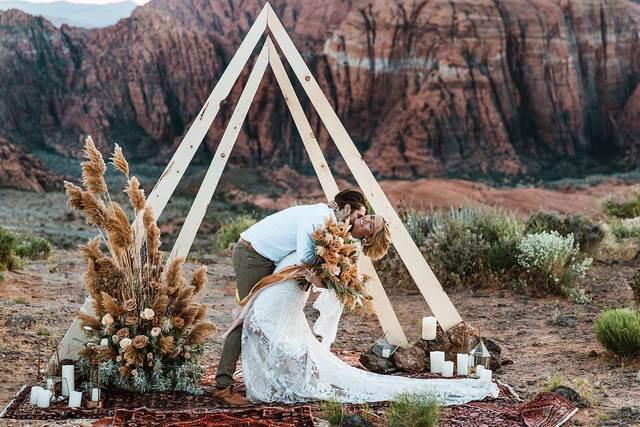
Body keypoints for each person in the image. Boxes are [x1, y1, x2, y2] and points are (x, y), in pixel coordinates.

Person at [239, 217, 499, 405]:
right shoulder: (338, 228)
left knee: (261, 324)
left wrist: (317, 278)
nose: (366, 219)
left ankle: (296, 373)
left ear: (367, 237)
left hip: (290, 286)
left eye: (370, 224)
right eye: (370, 216)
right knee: (262, 323)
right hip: (285, 281)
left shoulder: (347, 247)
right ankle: (291, 372)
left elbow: (329, 281)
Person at [213, 189, 373, 405]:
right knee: (246, 318)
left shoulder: (327, 219)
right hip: (252, 256)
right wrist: (328, 275)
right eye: (359, 215)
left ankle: (271, 376)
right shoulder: (317, 217)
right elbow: (306, 256)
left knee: (266, 317)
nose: (360, 221)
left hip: (267, 259)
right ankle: (223, 387)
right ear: (346, 209)